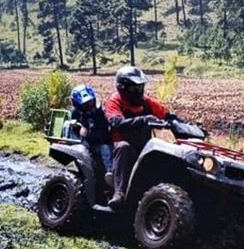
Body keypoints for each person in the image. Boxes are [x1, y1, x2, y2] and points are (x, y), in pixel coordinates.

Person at [105, 66, 179, 208]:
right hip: (121, 145)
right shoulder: (115, 101)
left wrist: (188, 126)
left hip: (145, 145)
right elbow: (117, 123)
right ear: (122, 88)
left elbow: (168, 115)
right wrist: (143, 120)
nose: (138, 91)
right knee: (123, 147)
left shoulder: (146, 102)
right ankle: (119, 193)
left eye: (140, 87)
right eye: (134, 88)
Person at [70, 84, 113, 184]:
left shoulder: (99, 113)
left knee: (105, 148)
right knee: (81, 147)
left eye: (91, 102)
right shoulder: (75, 114)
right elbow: (74, 129)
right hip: (83, 145)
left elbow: (104, 132)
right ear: (78, 105)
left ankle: (110, 173)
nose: (90, 106)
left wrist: (89, 134)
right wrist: (77, 129)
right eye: (86, 104)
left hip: (99, 142)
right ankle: (87, 173)